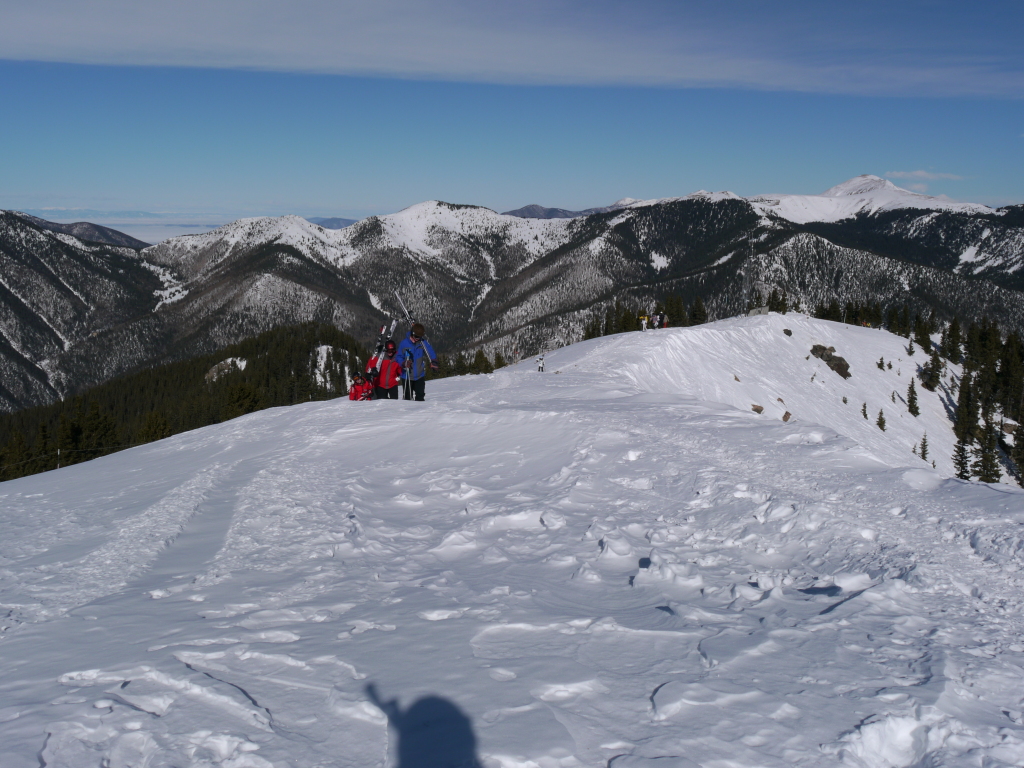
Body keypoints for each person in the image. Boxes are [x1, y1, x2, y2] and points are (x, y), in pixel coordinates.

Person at [395, 322, 438, 401]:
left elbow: (430, 352)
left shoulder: (422, 343)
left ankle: (420, 412)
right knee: (407, 399)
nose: (417, 339)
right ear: (412, 333)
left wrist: (434, 361)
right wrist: (403, 363)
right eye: (416, 337)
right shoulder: (404, 343)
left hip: (419, 376)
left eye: (419, 337)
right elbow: (398, 357)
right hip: (407, 376)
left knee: (420, 397)